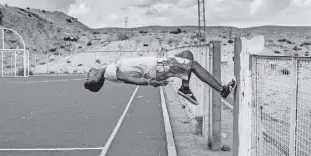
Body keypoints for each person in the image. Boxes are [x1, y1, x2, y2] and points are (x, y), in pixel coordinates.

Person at [84, 50, 236, 105]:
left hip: (156, 64)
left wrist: (149, 81)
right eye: (87, 77)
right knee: (193, 65)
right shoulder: (109, 72)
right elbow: (131, 80)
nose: (88, 73)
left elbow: (129, 79)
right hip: (156, 67)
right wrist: (150, 82)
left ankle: (185, 87)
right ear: (94, 80)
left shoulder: (109, 72)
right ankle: (223, 90)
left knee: (186, 55)